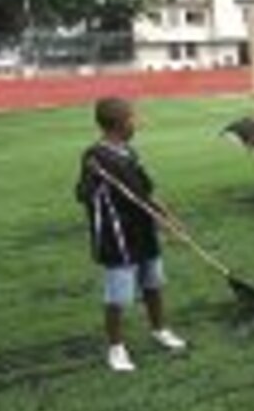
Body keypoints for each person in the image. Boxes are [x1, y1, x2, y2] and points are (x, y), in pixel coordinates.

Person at [75, 97, 187, 372]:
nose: (137, 123)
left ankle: (159, 329)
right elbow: (82, 194)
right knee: (118, 296)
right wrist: (93, 180)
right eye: (133, 119)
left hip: (143, 231)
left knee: (153, 282)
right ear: (119, 124)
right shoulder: (95, 157)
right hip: (117, 237)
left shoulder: (129, 152)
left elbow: (146, 192)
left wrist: (169, 218)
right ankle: (116, 348)